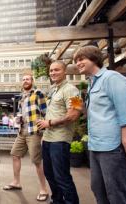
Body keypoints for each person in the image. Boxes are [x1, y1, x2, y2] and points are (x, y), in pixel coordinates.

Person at [74, 45, 126, 204]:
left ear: (94, 59)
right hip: (96, 146)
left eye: (81, 59)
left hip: (114, 148)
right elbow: (92, 114)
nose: (78, 63)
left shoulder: (112, 78)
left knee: (116, 195)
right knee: (98, 190)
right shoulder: (92, 84)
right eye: (76, 61)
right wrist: (76, 104)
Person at [37, 61, 81, 204]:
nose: (53, 73)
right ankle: (57, 201)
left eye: (56, 70)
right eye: (51, 71)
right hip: (48, 139)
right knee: (49, 174)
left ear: (65, 72)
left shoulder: (72, 90)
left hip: (60, 140)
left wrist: (49, 123)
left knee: (62, 177)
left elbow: (74, 114)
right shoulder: (54, 89)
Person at [3, 71, 49, 202]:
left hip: (34, 131)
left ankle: (43, 189)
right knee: (15, 154)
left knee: (36, 161)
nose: (25, 81)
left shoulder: (38, 93)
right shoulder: (21, 98)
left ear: (32, 81)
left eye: (28, 79)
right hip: (22, 131)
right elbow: (22, 114)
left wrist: (44, 128)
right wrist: (19, 120)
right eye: (23, 79)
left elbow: (46, 112)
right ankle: (16, 182)